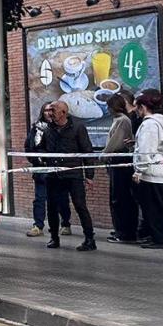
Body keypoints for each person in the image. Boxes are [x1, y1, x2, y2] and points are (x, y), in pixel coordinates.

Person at [42, 100, 97, 250]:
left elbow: (87, 151)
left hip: (73, 174)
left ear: (63, 113)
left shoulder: (78, 127)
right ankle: (54, 237)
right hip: (54, 175)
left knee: (80, 205)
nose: (50, 113)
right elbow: (41, 149)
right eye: (49, 110)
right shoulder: (48, 129)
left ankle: (90, 239)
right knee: (52, 207)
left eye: (53, 110)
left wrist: (89, 175)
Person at [132, 90, 163, 249]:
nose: (136, 111)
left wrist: (139, 170)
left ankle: (160, 239)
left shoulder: (150, 125)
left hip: (152, 173)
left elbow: (146, 150)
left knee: (155, 208)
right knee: (157, 207)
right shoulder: (159, 123)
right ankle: (157, 237)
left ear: (143, 107)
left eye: (137, 107)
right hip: (158, 171)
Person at [101, 92, 139, 242]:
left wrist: (103, 154)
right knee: (116, 197)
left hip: (120, 163)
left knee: (120, 197)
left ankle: (125, 232)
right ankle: (120, 229)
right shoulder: (119, 120)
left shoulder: (122, 121)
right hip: (116, 162)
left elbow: (115, 142)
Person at [23, 106, 53, 237]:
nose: (48, 113)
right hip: (40, 169)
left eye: (51, 110)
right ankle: (38, 225)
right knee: (40, 199)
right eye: (46, 110)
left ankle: (64, 224)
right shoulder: (36, 128)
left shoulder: (58, 128)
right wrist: (34, 160)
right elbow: (28, 146)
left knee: (59, 200)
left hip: (55, 169)